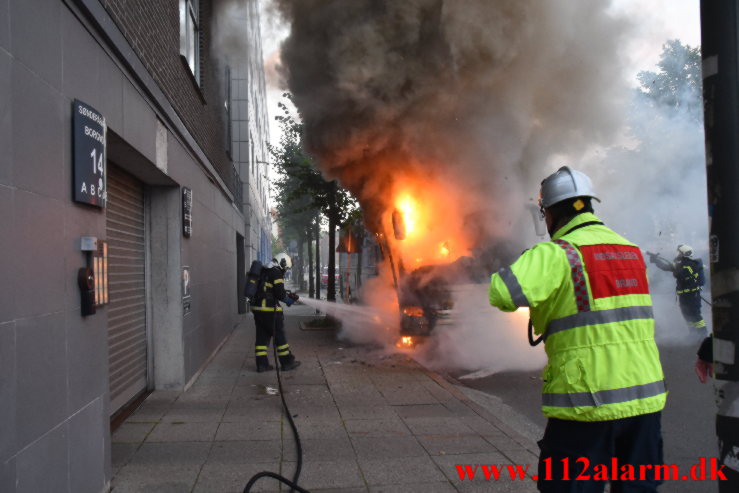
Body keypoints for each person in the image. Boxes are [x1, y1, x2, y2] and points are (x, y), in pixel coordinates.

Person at [488, 166, 667, 492]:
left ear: (549, 213)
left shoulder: (557, 254)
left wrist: (531, 263)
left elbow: (502, 292)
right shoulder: (631, 250)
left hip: (587, 405)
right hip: (645, 400)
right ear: (589, 204)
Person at [251, 257, 301, 373]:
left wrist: (287, 294)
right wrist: (289, 301)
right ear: (282, 263)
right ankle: (287, 362)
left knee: (261, 338)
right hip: (269, 311)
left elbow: (269, 289)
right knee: (280, 337)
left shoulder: (264, 270)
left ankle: (262, 365)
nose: (285, 270)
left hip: (258, 310)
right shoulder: (276, 272)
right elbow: (279, 293)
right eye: (285, 267)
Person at [648, 245, 706, 332]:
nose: (678, 254)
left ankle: (702, 333)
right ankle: (693, 334)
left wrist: (676, 267)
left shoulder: (691, 265)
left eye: (679, 253)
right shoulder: (681, 265)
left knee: (695, 315)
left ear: (685, 254)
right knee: (686, 314)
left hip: (692, 295)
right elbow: (666, 267)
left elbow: (679, 274)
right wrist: (656, 260)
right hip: (684, 295)